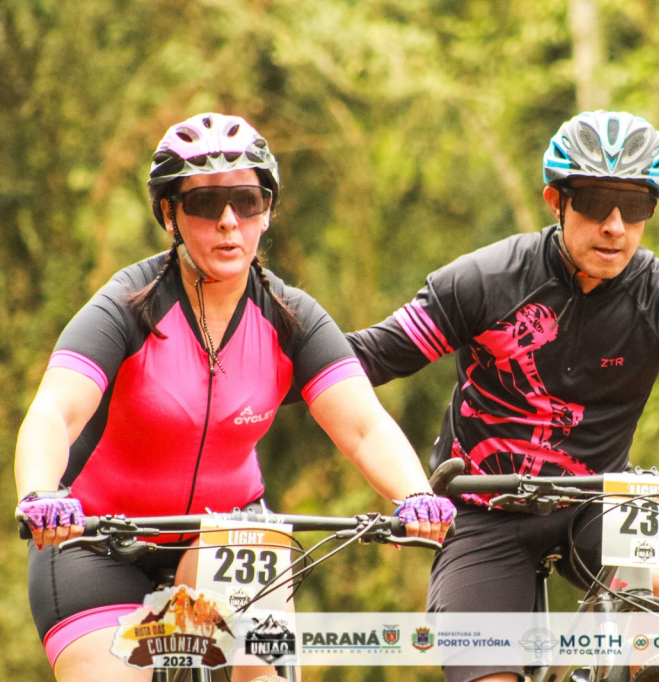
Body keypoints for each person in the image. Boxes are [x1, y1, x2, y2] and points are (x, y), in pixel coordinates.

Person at [347, 110, 659, 682]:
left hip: (595, 499)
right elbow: (357, 363)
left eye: (634, 206)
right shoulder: (485, 281)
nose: (614, 226)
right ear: (555, 201)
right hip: (481, 511)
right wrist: (272, 364)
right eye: (593, 202)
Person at [13, 112, 455, 681]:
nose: (228, 222)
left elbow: (364, 425)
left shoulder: (291, 318)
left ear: (266, 212)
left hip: (227, 533)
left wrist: (414, 495)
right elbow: (54, 411)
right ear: (169, 214)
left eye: (246, 201)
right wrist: (41, 494)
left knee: (262, 672)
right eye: (205, 203)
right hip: (97, 540)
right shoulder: (125, 306)